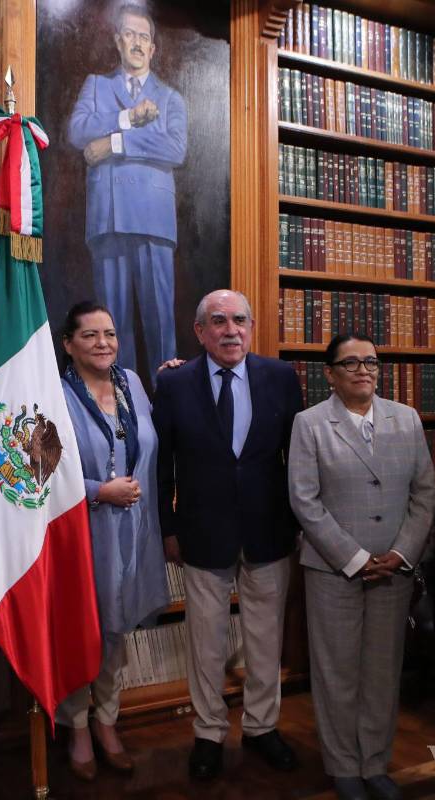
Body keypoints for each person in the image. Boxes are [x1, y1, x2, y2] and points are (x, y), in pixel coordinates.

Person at [152, 289, 304, 781]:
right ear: (200, 332)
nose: (231, 330)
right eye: (218, 321)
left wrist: (298, 525)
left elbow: (295, 460)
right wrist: (168, 529)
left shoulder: (280, 378)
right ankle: (208, 733)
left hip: (268, 531)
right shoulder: (174, 384)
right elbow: (162, 468)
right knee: (207, 642)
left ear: (252, 326)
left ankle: (262, 727)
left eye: (240, 320)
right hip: (202, 533)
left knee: (265, 639)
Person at [287, 334, 435, 800]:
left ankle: (375, 762)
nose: (362, 370)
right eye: (349, 363)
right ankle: (343, 766)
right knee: (336, 670)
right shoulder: (310, 423)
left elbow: (424, 493)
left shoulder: (406, 418)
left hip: (395, 567)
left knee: (382, 669)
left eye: (370, 361)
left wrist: (402, 553)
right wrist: (354, 558)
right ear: (329, 373)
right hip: (334, 569)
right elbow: (304, 501)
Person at [56, 301, 169, 780]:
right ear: (69, 344)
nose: (103, 343)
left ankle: (107, 720)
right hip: (84, 530)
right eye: (90, 335)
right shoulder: (54, 394)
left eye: (110, 334)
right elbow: (41, 474)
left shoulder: (134, 384)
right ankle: (76, 725)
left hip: (135, 531)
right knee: (82, 630)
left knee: (118, 633)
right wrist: (98, 491)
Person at [67, 3, 188, 381]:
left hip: (154, 221)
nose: (137, 43)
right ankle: (119, 405)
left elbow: (175, 150)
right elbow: (78, 132)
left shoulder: (170, 98)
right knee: (112, 325)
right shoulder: (97, 86)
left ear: (152, 48)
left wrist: (114, 145)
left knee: (159, 321)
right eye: (130, 35)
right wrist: (129, 119)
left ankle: (166, 403)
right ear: (118, 41)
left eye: (144, 37)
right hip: (109, 218)